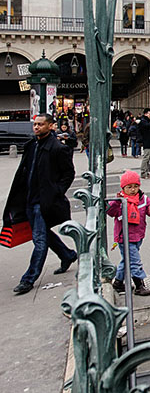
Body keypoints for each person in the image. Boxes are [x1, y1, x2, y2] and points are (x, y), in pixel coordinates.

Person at [4, 113, 78, 295]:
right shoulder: (32, 146)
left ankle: (28, 279)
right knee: (43, 233)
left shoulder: (57, 148)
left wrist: (56, 192)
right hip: (29, 199)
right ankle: (67, 255)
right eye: (35, 124)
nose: (36, 127)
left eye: (41, 124)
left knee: (40, 239)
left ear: (51, 126)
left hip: (43, 202)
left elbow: (68, 174)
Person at [107, 170, 150, 296]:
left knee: (127, 260)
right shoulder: (120, 200)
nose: (133, 190)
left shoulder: (142, 199)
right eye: (129, 187)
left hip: (138, 235)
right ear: (123, 188)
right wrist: (116, 202)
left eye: (136, 186)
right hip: (124, 237)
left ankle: (117, 282)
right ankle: (139, 285)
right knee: (134, 261)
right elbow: (110, 211)